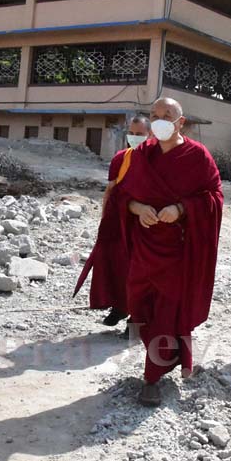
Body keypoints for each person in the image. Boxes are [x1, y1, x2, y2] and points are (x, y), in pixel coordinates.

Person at [114, 97, 223, 406]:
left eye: (167, 114)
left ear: (180, 122)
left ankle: (152, 377)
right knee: (140, 305)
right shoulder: (140, 156)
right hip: (145, 247)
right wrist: (137, 208)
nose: (160, 119)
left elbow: (214, 196)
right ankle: (169, 355)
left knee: (166, 312)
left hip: (177, 250)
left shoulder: (197, 156)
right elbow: (122, 196)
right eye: (155, 114)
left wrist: (181, 209)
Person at [74, 115, 152, 329]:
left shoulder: (156, 160)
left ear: (150, 135)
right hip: (118, 220)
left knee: (139, 270)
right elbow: (111, 190)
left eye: (140, 134)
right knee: (116, 265)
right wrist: (104, 218)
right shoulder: (121, 158)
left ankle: (137, 319)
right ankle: (119, 307)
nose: (134, 137)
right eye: (132, 133)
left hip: (143, 223)